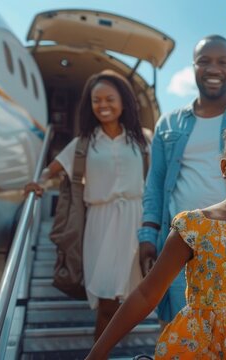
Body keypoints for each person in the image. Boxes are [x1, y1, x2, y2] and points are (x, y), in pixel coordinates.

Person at [87, 121, 226, 359]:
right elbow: (147, 294)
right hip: (201, 350)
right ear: (224, 166)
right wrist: (98, 352)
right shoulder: (195, 226)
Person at [138, 34, 226, 325]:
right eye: (205, 61)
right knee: (181, 332)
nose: (213, 68)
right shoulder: (169, 124)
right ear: (193, 67)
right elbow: (155, 183)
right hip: (182, 246)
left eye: (222, 62)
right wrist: (148, 236)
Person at [24, 70, 149, 340]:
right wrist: (39, 182)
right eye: (96, 100)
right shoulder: (83, 144)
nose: (102, 105)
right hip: (99, 223)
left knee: (130, 299)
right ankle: (99, 353)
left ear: (124, 102)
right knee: (106, 300)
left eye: (109, 99)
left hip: (135, 222)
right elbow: (51, 170)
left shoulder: (143, 140)